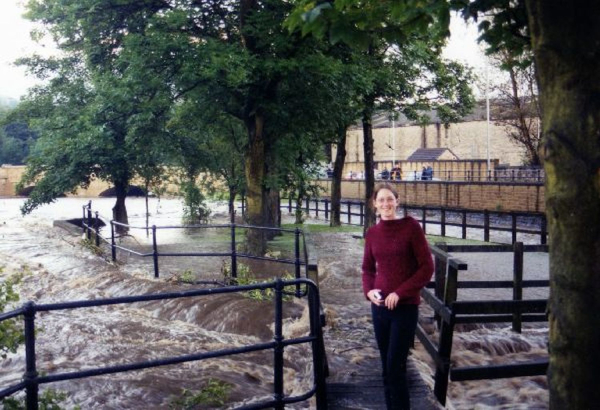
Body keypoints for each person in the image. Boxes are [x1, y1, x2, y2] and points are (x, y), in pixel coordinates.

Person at [362, 183, 434, 410]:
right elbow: (368, 270)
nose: (386, 204)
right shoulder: (372, 233)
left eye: (389, 199)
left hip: (404, 308)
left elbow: (426, 267)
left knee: (396, 367)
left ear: (397, 201)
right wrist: (369, 291)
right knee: (386, 367)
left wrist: (400, 293)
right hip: (379, 308)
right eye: (381, 200)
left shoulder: (411, 227)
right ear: (375, 204)